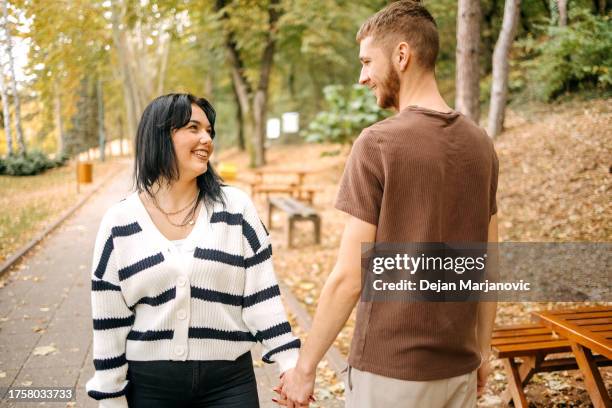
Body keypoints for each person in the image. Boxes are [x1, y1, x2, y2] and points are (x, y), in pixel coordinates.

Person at [277, 1, 499, 407]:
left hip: (390, 374)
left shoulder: (378, 143)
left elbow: (349, 277)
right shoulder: (481, 145)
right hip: (460, 373)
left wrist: (304, 368)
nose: (362, 77)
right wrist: (482, 353)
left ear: (402, 55)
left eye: (366, 62)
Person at [86, 93, 301, 408]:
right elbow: (109, 321)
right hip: (150, 387)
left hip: (230, 384)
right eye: (193, 128)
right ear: (159, 135)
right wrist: (111, 396)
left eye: (209, 131)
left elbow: (262, 298)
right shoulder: (119, 222)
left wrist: (290, 363)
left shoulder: (237, 209)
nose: (207, 139)